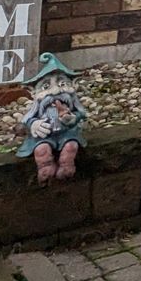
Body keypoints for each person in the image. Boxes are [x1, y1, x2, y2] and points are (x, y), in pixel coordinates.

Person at [16, 53, 86, 184]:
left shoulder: (70, 105)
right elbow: (28, 121)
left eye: (62, 83)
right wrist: (34, 125)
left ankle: (66, 166)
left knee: (71, 146)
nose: (55, 91)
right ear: (33, 92)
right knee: (41, 150)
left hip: (67, 133)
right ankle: (46, 168)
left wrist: (73, 119)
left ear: (74, 85)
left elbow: (81, 114)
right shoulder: (40, 109)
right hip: (44, 136)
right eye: (46, 87)